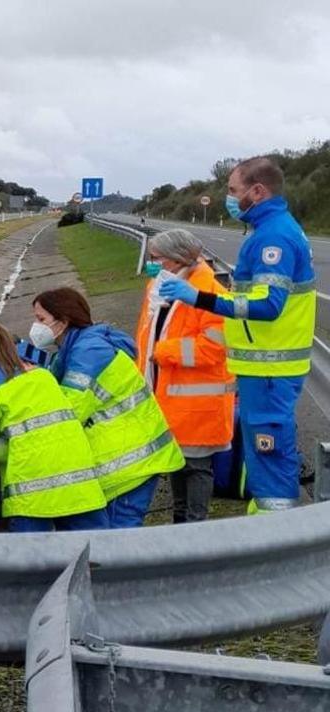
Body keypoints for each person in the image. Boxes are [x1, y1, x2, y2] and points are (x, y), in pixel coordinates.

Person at [158, 156, 315, 513]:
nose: (228, 198)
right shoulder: (272, 228)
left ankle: (277, 537)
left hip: (270, 369)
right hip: (265, 367)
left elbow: (268, 305)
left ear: (257, 191)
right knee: (267, 454)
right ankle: (267, 519)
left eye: (233, 190)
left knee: (269, 450)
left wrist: (201, 298)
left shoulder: (273, 236)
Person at [30, 287, 184, 527]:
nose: (35, 326)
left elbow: (70, 410)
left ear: (63, 320)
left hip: (130, 462)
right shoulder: (76, 347)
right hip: (131, 455)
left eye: (41, 319)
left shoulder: (88, 352)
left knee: (118, 539)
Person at [0, 319, 108, 531]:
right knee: (99, 554)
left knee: (31, 560)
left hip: (32, 489)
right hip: (80, 479)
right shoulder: (37, 370)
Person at [136, 230, 235, 522]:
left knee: (196, 467)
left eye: (157, 259)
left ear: (177, 259)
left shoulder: (211, 294)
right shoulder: (163, 287)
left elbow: (214, 348)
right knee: (177, 464)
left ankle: (195, 527)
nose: (152, 264)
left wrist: (166, 351)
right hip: (167, 397)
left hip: (199, 402)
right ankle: (180, 524)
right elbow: (146, 334)